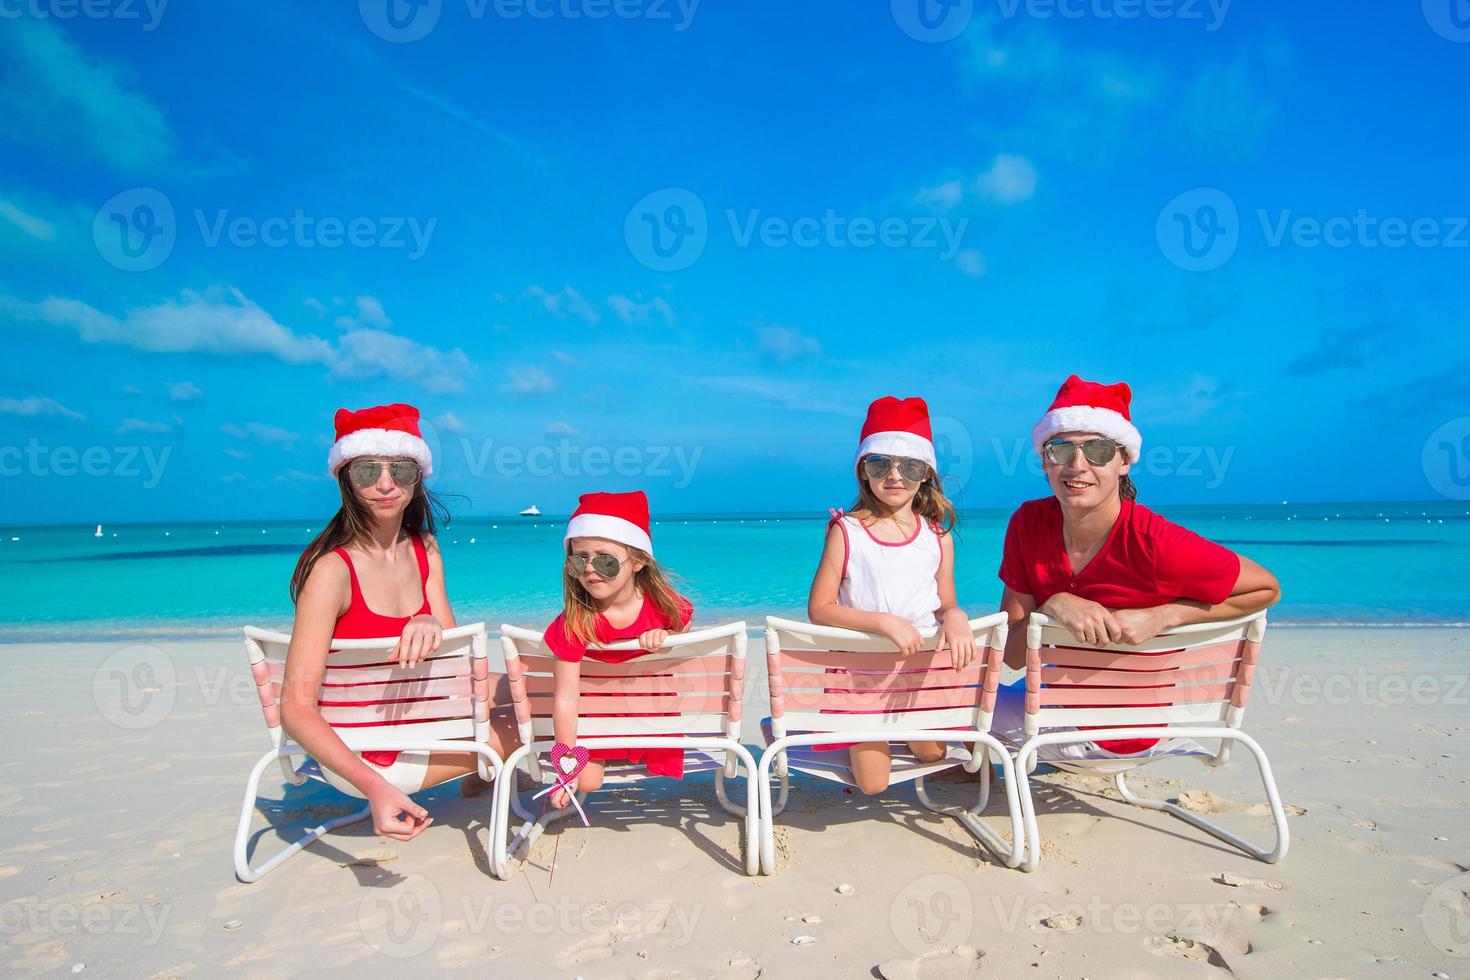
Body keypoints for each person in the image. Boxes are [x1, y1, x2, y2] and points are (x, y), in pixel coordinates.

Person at [994, 375, 1281, 758]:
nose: (1077, 466)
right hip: (1056, 716)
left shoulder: (1156, 543)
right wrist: (1053, 606)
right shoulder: (1028, 525)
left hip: (1115, 735)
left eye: (1097, 451)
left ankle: (967, 781)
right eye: (1061, 450)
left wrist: (1164, 616)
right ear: (1045, 461)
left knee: (944, 704)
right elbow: (1010, 656)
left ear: (1124, 461)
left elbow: (1267, 589)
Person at [280, 403, 517, 842]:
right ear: (346, 478)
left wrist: (430, 620)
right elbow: (295, 708)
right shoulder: (331, 571)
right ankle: (491, 772)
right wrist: (375, 788)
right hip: (371, 763)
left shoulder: (423, 548)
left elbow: (459, 670)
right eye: (369, 471)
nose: (386, 484)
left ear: (418, 477)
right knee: (528, 720)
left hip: (424, 719)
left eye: (400, 471)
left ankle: (481, 777)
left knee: (533, 683)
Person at [807, 396, 976, 795]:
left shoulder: (937, 536)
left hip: (917, 678)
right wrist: (883, 622)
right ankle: (866, 733)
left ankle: (909, 731)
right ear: (864, 472)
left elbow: (945, 600)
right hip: (861, 681)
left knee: (934, 755)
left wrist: (955, 616)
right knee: (872, 785)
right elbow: (820, 608)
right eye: (881, 463)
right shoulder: (846, 532)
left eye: (910, 465)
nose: (895, 475)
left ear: (926, 474)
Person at [543, 491, 694, 809]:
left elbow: (683, 626)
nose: (589, 570)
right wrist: (565, 762)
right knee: (587, 781)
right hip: (610, 724)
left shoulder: (661, 607)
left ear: (638, 560)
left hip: (649, 724)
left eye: (605, 560)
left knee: (588, 777)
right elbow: (566, 698)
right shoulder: (575, 622)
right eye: (577, 559)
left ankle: (614, 752)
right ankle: (600, 757)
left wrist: (666, 634)